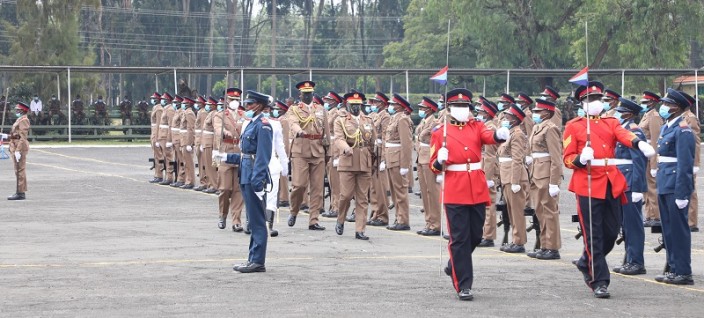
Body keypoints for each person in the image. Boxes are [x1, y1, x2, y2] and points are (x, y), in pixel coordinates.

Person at [563, 80, 655, 298]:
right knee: (593, 234)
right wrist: (579, 158)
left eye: (598, 99)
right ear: (582, 103)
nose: (595, 102)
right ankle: (599, 281)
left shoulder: (611, 122)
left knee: (611, 232)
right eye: (590, 99)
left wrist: (638, 143)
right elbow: (566, 159)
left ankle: (586, 261)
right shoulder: (574, 126)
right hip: (587, 183)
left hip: (611, 182)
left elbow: (624, 135)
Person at [430, 88, 510, 301]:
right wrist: (440, 160)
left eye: (465, 106)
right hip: (455, 189)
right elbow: (433, 166)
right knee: (459, 238)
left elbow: (487, 136)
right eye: (458, 106)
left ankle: (454, 263)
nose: (462, 110)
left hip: (475, 186)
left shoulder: (477, 126)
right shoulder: (440, 132)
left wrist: (498, 135)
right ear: (449, 108)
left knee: (475, 235)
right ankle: (463, 285)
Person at [218, 90, 273, 274]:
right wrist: (226, 156)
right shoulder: (252, 123)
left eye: (250, 104)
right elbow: (245, 155)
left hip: (253, 177)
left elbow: (262, 156)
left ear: (258, 105)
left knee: (257, 220)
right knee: (253, 218)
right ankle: (253, 258)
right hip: (246, 174)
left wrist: (258, 181)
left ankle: (257, 261)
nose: (246, 107)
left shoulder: (263, 125)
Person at [653, 88, 696, 285]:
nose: (664, 107)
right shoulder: (667, 126)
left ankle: (683, 271)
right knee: (668, 229)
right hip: (664, 182)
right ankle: (673, 267)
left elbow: (685, 163)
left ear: (676, 107)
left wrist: (682, 192)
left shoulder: (683, 128)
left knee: (678, 230)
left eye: (668, 104)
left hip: (675, 185)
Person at [332, 92, 376, 240]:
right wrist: (345, 148)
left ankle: (360, 230)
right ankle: (340, 219)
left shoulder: (368, 120)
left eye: (358, 105)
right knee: (345, 195)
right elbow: (338, 138)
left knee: (362, 198)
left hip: (364, 162)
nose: (356, 108)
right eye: (353, 105)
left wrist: (374, 161)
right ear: (348, 105)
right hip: (348, 161)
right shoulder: (341, 121)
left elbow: (372, 142)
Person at [611, 97, 647, 275]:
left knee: (633, 224)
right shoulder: (622, 129)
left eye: (621, 112)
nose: (617, 115)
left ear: (629, 114)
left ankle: (636, 262)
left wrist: (638, 188)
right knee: (626, 224)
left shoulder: (634, 131)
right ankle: (629, 258)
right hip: (622, 181)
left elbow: (639, 161)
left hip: (631, 182)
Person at [286, 81, 328, 231]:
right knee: (299, 185)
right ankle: (294, 210)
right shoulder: (294, 109)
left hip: (318, 151)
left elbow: (326, 132)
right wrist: (299, 131)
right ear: (300, 95)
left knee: (317, 188)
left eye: (310, 93)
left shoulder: (321, 110)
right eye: (305, 94)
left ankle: (313, 220)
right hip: (300, 151)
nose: (308, 96)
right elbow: (292, 123)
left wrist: (328, 152)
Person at [526, 99, 563, 259]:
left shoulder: (551, 129)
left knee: (549, 211)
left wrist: (554, 182)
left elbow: (556, 157)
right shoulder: (537, 127)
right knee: (540, 211)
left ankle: (552, 247)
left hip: (547, 174)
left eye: (538, 111)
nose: (535, 114)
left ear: (547, 113)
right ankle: (544, 245)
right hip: (536, 172)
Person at [497, 104, 529, 253]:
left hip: (513, 177)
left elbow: (517, 159)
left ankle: (519, 242)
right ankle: (515, 240)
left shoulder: (517, 134)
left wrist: (515, 181)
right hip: (506, 176)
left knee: (516, 212)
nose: (505, 118)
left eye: (508, 116)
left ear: (515, 119)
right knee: (511, 212)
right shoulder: (509, 133)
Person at [213, 88, 246, 232]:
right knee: (225, 188)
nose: (234, 102)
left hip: (240, 153)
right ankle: (222, 215)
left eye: (237, 100)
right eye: (232, 100)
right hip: (225, 152)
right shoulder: (220, 115)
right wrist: (224, 132)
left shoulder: (244, 115)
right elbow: (218, 128)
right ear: (226, 101)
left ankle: (236, 221)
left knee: (238, 190)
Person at [381, 93, 413, 231]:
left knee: (400, 192)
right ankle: (398, 217)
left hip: (398, 160)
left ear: (399, 106)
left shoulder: (402, 120)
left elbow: (406, 143)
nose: (391, 106)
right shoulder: (395, 118)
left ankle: (403, 220)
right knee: (394, 192)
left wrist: (405, 165)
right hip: (391, 159)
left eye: (393, 104)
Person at [262, 99, 289, 234]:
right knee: (256, 195)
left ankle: (270, 225)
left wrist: (284, 164)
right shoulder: (249, 123)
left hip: (272, 162)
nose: (266, 112)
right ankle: (251, 223)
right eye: (264, 109)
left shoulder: (276, 124)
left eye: (268, 109)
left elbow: (280, 146)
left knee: (272, 195)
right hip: (256, 162)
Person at [476, 98, 500, 247]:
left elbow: (490, 155)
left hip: (488, 169)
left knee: (489, 203)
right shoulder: (485, 126)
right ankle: (483, 232)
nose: (478, 114)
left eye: (480, 112)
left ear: (487, 114)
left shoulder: (489, 128)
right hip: (482, 166)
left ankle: (489, 235)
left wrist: (489, 177)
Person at [415, 97, 441, 236]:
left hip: (429, 158)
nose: (421, 110)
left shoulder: (435, 123)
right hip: (421, 157)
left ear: (430, 109)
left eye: (423, 108)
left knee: (432, 192)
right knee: (425, 193)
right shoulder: (423, 121)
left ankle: (435, 224)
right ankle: (429, 222)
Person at [638, 91, 663, 227]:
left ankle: (656, 216)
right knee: (646, 188)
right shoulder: (646, 115)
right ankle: (649, 215)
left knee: (652, 187)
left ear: (653, 103)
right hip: (644, 156)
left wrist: (654, 164)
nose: (643, 105)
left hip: (649, 157)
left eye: (646, 102)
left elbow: (655, 141)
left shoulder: (654, 117)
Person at [367, 92, 392, 226]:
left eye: (376, 102)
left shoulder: (386, 117)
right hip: (373, 154)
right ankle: (375, 213)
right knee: (373, 188)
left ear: (382, 104)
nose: (374, 105)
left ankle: (383, 216)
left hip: (380, 154)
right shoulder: (376, 116)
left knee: (380, 188)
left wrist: (383, 159)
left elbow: (385, 138)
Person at [322, 91, 344, 218]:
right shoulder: (329, 113)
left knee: (335, 182)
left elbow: (339, 135)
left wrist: (337, 156)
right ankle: (333, 206)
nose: (327, 102)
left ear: (335, 102)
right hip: (329, 147)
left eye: (329, 100)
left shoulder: (337, 113)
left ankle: (337, 208)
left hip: (335, 148)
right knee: (331, 181)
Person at [680, 91, 700, 232]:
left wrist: (695, 163)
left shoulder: (690, 118)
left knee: (691, 190)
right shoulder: (681, 117)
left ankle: (692, 221)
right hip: (682, 159)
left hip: (690, 160)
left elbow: (696, 142)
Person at [6, 102, 31, 200]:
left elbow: (23, 137)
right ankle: (19, 191)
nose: (16, 111)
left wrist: (18, 150)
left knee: (20, 170)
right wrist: (6, 136)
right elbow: (16, 134)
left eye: (18, 109)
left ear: (22, 110)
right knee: (18, 170)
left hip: (19, 147)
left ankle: (20, 193)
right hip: (15, 145)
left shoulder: (24, 120)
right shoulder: (20, 119)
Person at [200, 97, 219, 194]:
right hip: (206, 142)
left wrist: (215, 146)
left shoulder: (214, 114)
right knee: (207, 165)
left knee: (211, 166)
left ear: (214, 105)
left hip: (210, 142)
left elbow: (216, 130)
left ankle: (214, 185)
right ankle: (210, 183)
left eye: (209, 104)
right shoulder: (210, 113)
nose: (207, 106)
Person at [274, 100, 291, 207]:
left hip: (281, 150)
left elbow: (285, 137)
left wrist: (284, 152)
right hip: (277, 150)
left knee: (283, 175)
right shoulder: (279, 120)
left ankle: (284, 197)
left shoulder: (283, 120)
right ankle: (281, 196)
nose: (275, 111)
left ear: (282, 110)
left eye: (277, 109)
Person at [157, 93, 176, 185]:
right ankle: (167, 176)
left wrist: (169, 140)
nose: (162, 100)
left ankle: (169, 177)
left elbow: (170, 125)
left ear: (168, 100)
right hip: (162, 136)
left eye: (163, 99)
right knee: (164, 157)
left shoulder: (170, 110)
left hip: (165, 137)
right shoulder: (165, 109)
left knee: (168, 158)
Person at [179, 97, 197, 189]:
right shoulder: (185, 113)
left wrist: (190, 143)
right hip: (183, 140)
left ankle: (190, 181)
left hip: (187, 140)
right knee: (185, 162)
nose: (182, 104)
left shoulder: (189, 113)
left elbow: (191, 128)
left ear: (188, 104)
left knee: (189, 163)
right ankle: (187, 180)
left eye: (184, 103)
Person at [149, 92, 165, 184]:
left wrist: (158, 138)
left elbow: (159, 124)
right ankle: (156, 174)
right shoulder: (155, 108)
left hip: (157, 134)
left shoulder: (159, 109)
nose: (152, 100)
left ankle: (159, 175)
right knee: (155, 156)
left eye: (154, 98)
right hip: (154, 133)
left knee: (159, 156)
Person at [169, 95, 185, 187]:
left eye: (176, 102)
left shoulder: (182, 112)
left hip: (180, 139)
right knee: (178, 160)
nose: (174, 104)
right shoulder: (176, 112)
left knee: (182, 160)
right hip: (175, 139)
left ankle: (181, 178)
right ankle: (178, 177)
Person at [193, 96, 208, 191]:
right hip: (198, 140)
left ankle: (205, 182)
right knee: (200, 162)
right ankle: (203, 182)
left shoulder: (203, 113)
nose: (197, 104)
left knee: (203, 163)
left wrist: (202, 142)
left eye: (198, 103)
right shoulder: (200, 112)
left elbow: (203, 129)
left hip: (201, 140)